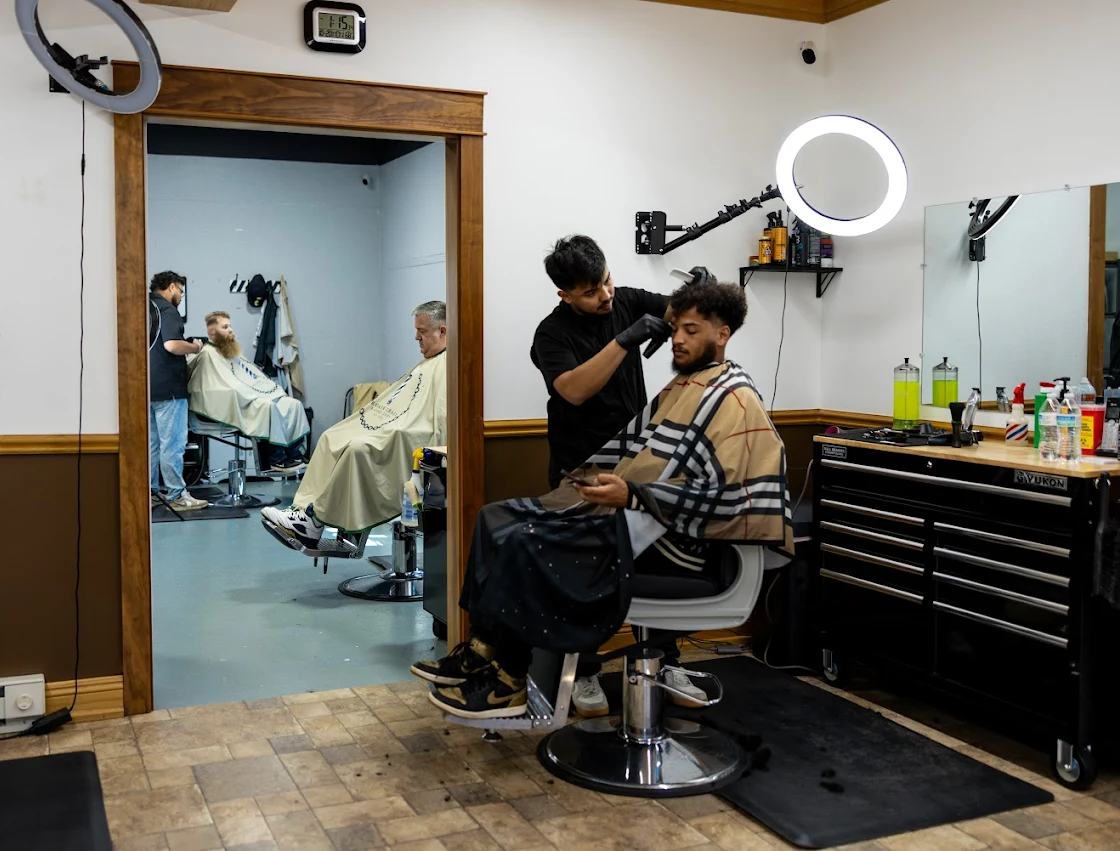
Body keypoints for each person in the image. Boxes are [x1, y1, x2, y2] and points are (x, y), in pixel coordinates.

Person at [412, 280, 790, 720]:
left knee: (525, 539)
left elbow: (739, 498)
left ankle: (509, 681)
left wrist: (632, 492)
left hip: (679, 547)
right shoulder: (687, 384)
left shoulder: (736, 400)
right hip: (641, 520)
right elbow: (602, 419)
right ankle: (481, 650)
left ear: (722, 334)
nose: (678, 340)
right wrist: (601, 487)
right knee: (495, 518)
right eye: (675, 329)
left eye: (690, 330)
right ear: (564, 293)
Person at [528, 235, 700, 715]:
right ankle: (580, 672)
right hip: (581, 467)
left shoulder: (624, 298)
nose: (606, 296)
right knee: (582, 572)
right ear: (564, 295)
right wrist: (624, 340)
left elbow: (687, 314)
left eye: (606, 281)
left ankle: (664, 661)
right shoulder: (552, 334)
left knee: (655, 558)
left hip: (639, 463)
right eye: (590, 292)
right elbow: (574, 391)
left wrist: (696, 298)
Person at [262, 301, 447, 541]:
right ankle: (302, 512)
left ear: (442, 331)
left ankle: (315, 520)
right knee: (332, 436)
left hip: (411, 437)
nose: (416, 338)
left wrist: (393, 430)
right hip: (393, 425)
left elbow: (436, 422)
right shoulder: (430, 361)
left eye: (421, 332)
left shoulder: (449, 365)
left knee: (357, 449)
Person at [189, 311, 311, 470]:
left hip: (249, 396)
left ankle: (294, 454)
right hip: (233, 402)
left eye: (230, 326)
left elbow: (250, 374)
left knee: (292, 404)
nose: (230, 330)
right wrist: (245, 392)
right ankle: (276, 459)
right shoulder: (207, 353)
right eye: (225, 327)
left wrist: (261, 389)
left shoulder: (230, 352)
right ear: (212, 331)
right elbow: (210, 386)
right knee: (269, 407)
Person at [149, 272, 208, 511]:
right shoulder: (168, 310)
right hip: (170, 389)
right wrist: (195, 346)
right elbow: (172, 345)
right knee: (172, 444)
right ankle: (176, 495)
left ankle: (152, 493)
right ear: (171, 286)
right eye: (181, 291)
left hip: (148, 388)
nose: (181, 297)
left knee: (153, 444)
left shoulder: (144, 306)